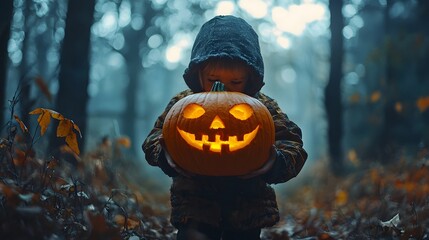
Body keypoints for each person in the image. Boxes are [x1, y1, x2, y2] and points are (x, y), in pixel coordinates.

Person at [143, 15, 307, 240]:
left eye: (236, 83)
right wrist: (164, 156)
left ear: (250, 79)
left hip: (248, 208)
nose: (224, 90)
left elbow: (293, 145)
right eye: (213, 80)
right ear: (198, 74)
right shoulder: (183, 104)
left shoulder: (263, 107)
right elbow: (154, 138)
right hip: (194, 205)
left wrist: (275, 163)